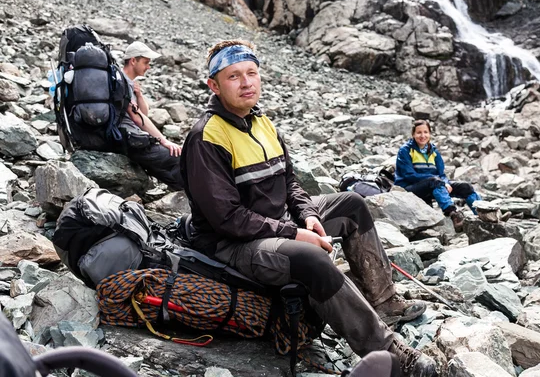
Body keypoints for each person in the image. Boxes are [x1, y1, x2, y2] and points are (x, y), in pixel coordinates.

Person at [180, 39, 438, 377]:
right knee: (311, 259)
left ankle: (384, 302)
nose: (246, 83)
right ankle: (387, 352)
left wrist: (309, 215)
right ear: (213, 85)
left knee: (352, 204)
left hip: (275, 224)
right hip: (231, 244)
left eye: (251, 73)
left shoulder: (262, 123)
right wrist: (295, 233)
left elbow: (289, 182)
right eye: (233, 77)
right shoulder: (206, 138)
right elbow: (227, 218)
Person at [118, 41, 184, 190]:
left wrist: (139, 95)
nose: (148, 67)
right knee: (179, 156)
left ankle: (182, 193)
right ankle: (190, 197)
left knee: (162, 166)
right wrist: (164, 141)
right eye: (146, 62)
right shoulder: (122, 82)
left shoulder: (126, 82)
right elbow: (137, 118)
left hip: (128, 138)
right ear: (133, 61)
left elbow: (143, 114)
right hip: (128, 141)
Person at [394, 119, 482, 230]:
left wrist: (444, 182)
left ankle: (483, 214)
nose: (423, 135)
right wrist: (437, 180)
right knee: (435, 182)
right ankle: (453, 215)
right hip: (410, 188)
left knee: (466, 187)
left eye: (425, 132)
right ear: (413, 134)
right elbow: (409, 175)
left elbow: (441, 174)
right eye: (419, 132)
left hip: (434, 185)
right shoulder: (405, 151)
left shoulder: (434, 152)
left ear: (430, 134)